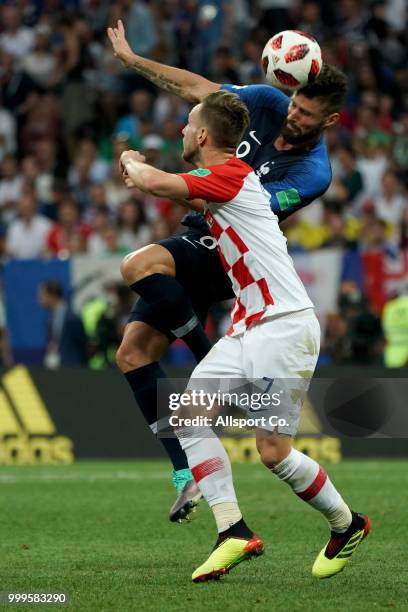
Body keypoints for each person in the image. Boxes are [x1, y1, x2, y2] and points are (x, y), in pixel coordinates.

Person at [119, 90, 371, 583]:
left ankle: (348, 524)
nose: (183, 132)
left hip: (284, 325)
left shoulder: (232, 175)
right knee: (188, 416)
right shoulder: (223, 181)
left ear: (205, 136)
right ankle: (232, 531)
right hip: (248, 324)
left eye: (188, 125)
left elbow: (151, 181)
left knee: (272, 452)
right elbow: (175, 190)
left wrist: (130, 158)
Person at [108, 20, 348, 521]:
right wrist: (133, 61)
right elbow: (196, 89)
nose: (294, 116)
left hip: (225, 249)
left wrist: (160, 175)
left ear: (329, 121)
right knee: (131, 355)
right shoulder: (263, 101)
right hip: (202, 231)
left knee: (140, 263)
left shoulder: (313, 173)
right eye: (295, 104)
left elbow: (249, 201)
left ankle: (202, 347)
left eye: (306, 115)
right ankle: (185, 473)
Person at [38, 280, 88, 367]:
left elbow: (83, 344)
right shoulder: (49, 318)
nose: (39, 300)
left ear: (52, 295)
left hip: (72, 369)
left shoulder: (72, 318)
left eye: (42, 296)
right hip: (55, 367)